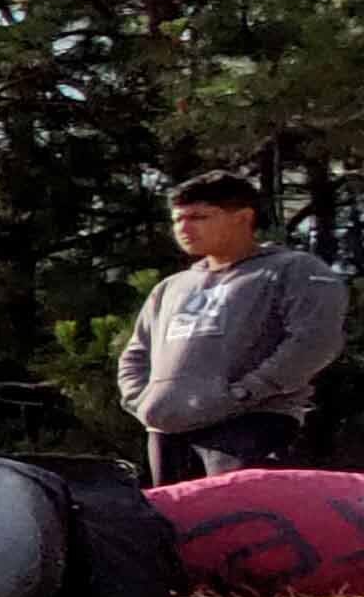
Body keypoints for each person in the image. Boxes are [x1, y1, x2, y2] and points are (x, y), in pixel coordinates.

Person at [119, 171, 348, 484]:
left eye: (199, 217)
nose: (183, 228)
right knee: (174, 515)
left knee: (241, 514)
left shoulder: (293, 269)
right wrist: (142, 402)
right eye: (177, 219)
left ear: (243, 217)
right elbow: (135, 353)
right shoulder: (171, 287)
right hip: (166, 430)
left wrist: (246, 391)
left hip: (250, 422)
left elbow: (314, 341)